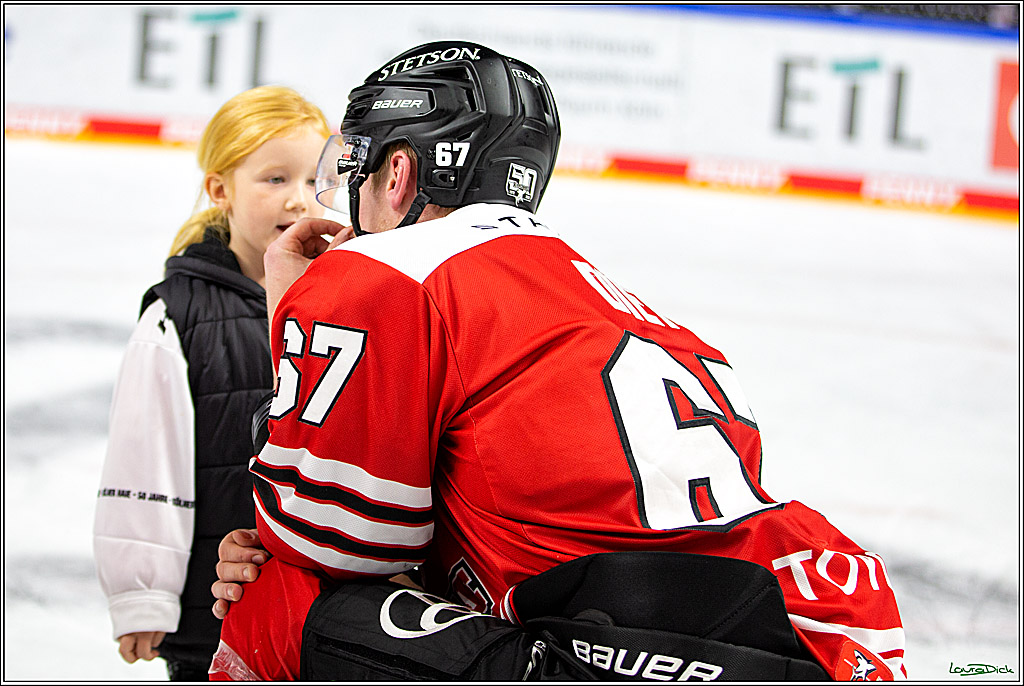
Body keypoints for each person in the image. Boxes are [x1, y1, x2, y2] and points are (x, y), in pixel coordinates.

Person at [210, 42, 907, 681]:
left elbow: (330, 536)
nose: (346, 191)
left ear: (399, 173)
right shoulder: (604, 294)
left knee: (275, 596)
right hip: (827, 631)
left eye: (359, 162)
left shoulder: (382, 268)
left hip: (659, 656)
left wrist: (288, 311)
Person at [93, 85, 332, 681]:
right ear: (220, 189)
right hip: (217, 618)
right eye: (275, 179)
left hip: (321, 612)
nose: (300, 201)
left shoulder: (346, 300)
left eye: (313, 180)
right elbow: (145, 459)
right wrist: (142, 592)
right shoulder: (178, 314)